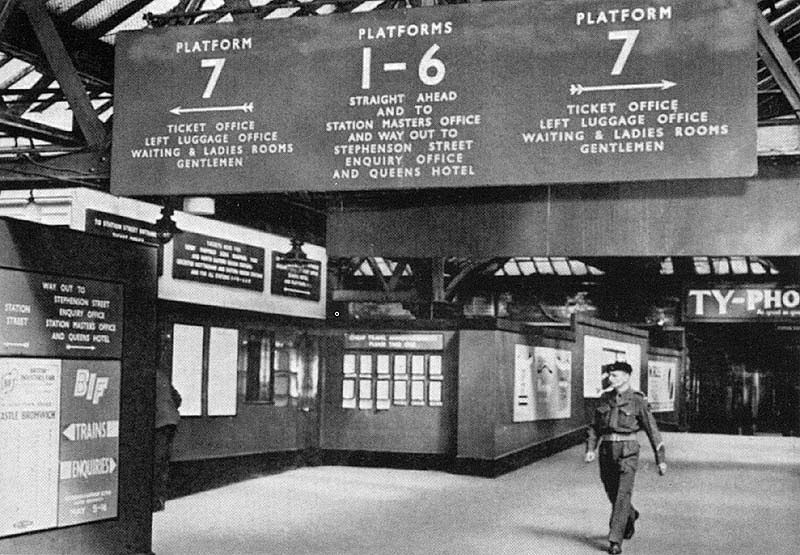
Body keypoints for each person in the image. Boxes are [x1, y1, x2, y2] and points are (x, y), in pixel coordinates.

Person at [584, 361, 667, 554]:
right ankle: (630, 514)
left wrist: (660, 459)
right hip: (606, 451)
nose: (611, 379)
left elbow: (652, 430)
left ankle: (615, 540)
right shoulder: (605, 398)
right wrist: (591, 448)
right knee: (612, 491)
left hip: (627, 451)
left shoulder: (637, 400)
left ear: (627, 377)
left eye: (615, 376)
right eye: (610, 376)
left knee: (622, 493)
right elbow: (594, 427)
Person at [153, 369, 181, 512]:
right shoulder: (161, 374)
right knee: (163, 461)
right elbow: (178, 398)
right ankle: (159, 499)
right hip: (171, 422)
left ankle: (156, 501)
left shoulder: (147, 375)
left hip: (159, 423)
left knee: (157, 462)